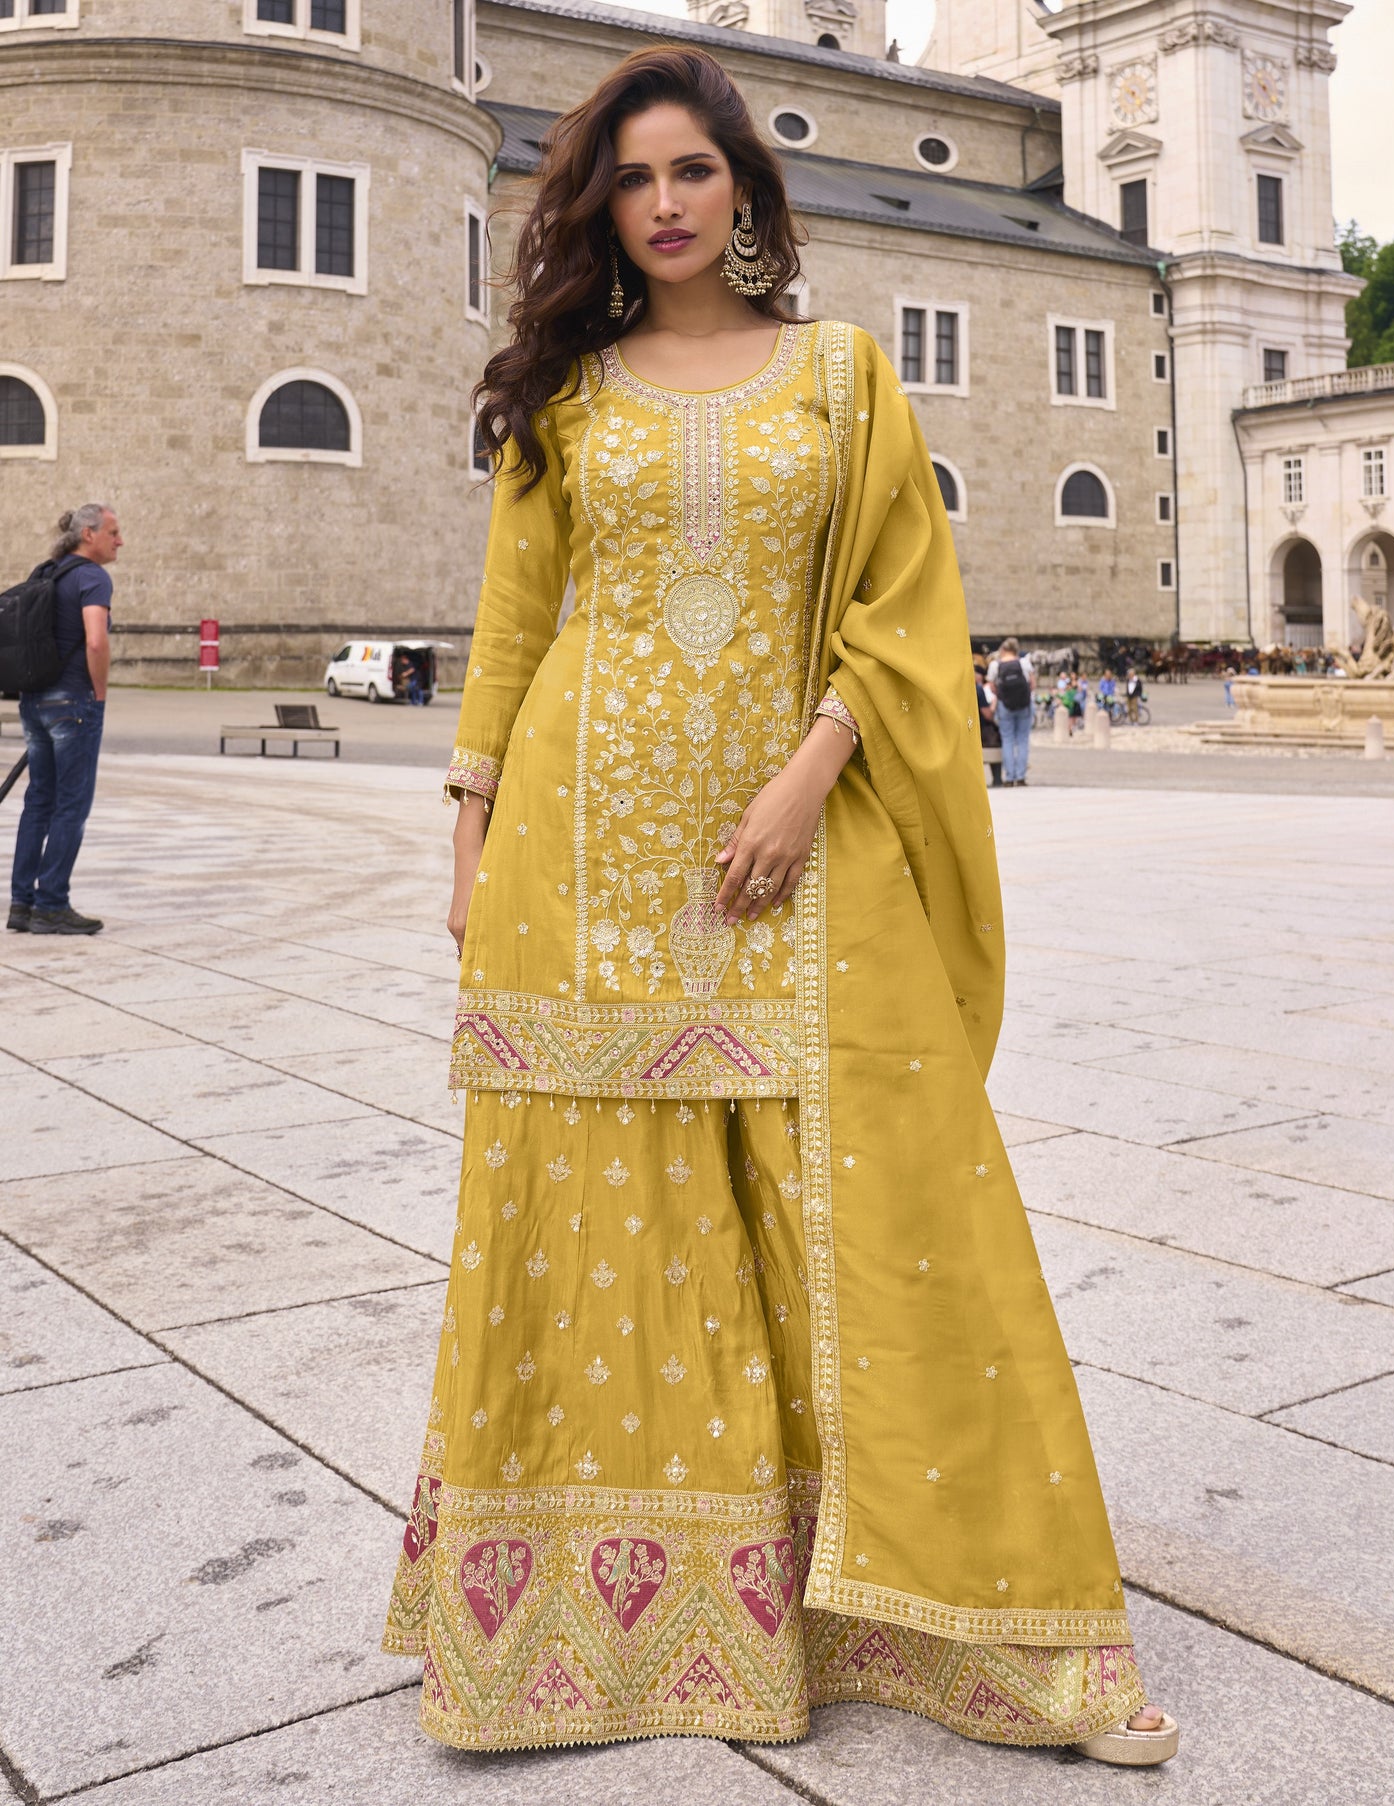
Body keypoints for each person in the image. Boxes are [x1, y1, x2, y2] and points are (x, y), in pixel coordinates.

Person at [382, 46, 1175, 1769]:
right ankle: (613, 1624)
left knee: (902, 1201)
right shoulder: (568, 400)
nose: (664, 205)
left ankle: (1007, 1632)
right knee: (610, 1223)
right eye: (631, 180)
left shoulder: (841, 376)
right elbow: (515, 627)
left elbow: (903, 601)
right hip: (579, 862)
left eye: (693, 173)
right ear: (598, 206)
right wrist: (469, 832)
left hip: (800, 856)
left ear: (745, 190)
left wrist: (810, 773)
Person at [7, 505, 120, 936]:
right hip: (74, 703)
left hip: (34, 701)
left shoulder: (47, 572)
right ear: (87, 534)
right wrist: (100, 692)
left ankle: (22, 904)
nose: (119, 541)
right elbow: (96, 639)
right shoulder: (92, 577)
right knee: (71, 804)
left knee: (39, 801)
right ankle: (52, 904)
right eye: (113, 532)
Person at [987, 635, 1034, 785]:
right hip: (1024, 704)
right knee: (1022, 739)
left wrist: (1000, 695)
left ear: (1004, 649)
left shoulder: (995, 665)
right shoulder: (1024, 663)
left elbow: (992, 686)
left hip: (1004, 705)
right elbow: (1032, 684)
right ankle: (1020, 777)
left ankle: (1009, 777)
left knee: (1007, 739)